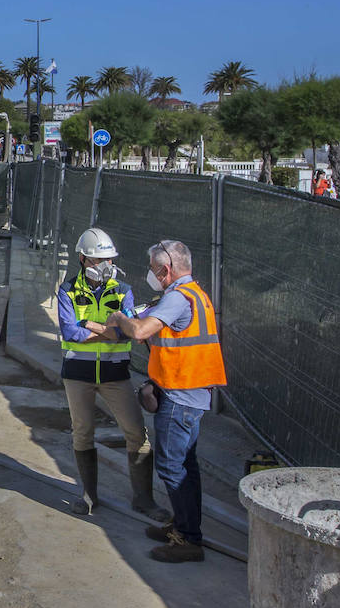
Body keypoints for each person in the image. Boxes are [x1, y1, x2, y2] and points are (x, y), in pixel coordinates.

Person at [107, 239, 227, 564]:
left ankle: (187, 539)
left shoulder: (176, 299)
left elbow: (142, 330)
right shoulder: (195, 294)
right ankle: (186, 526)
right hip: (192, 393)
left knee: (171, 466)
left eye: (153, 269)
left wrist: (119, 319)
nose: (151, 274)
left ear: (166, 269)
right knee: (186, 465)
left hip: (179, 397)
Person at [58, 228, 169, 520]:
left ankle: (144, 499)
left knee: (137, 433)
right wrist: (110, 331)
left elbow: (126, 334)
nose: (105, 266)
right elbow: (70, 331)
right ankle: (89, 495)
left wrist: (90, 325)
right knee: (82, 433)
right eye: (98, 260)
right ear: (83, 259)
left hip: (115, 374)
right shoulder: (67, 290)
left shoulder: (123, 290)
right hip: (77, 375)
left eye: (108, 259)